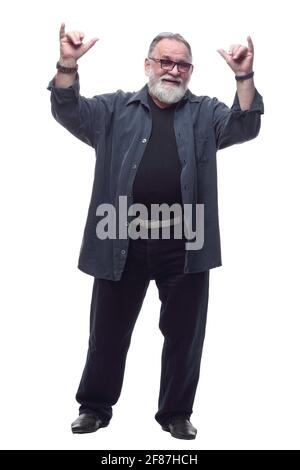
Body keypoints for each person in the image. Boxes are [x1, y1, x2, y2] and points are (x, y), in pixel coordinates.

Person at [47, 23, 264, 440]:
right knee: (107, 333)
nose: (174, 70)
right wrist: (68, 64)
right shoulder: (113, 110)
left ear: (191, 71)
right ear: (148, 65)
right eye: (166, 61)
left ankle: (176, 413)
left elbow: (246, 125)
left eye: (183, 64)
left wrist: (243, 77)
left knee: (184, 336)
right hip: (119, 240)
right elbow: (67, 109)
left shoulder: (205, 112)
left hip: (186, 243)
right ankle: (94, 407)